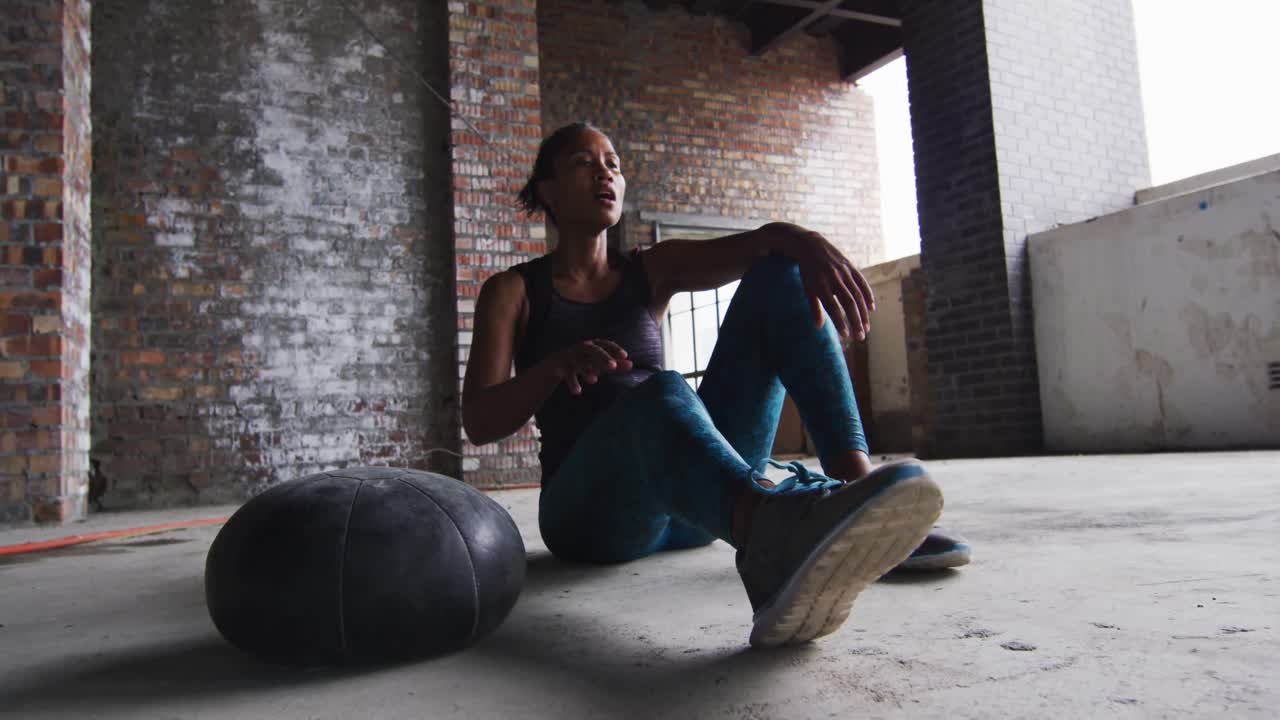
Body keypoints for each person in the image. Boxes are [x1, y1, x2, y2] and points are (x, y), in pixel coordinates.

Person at [462, 122, 966, 648]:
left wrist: (805, 243)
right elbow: (479, 422)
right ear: (547, 190)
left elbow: (764, 248)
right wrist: (552, 368)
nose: (605, 173)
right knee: (661, 391)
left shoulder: (649, 271)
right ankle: (770, 541)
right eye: (584, 163)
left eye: (613, 163)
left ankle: (859, 499)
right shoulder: (513, 291)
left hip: (695, 508)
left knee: (781, 277)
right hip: (592, 518)